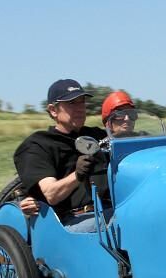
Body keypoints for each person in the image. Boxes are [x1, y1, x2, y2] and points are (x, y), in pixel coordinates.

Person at [13, 79, 107, 233]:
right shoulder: (38, 145)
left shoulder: (97, 136)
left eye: (82, 102)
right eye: (71, 103)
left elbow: (122, 140)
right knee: (127, 223)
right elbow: (51, 194)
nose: (80, 108)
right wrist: (77, 175)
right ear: (53, 110)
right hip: (70, 221)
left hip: (108, 211)